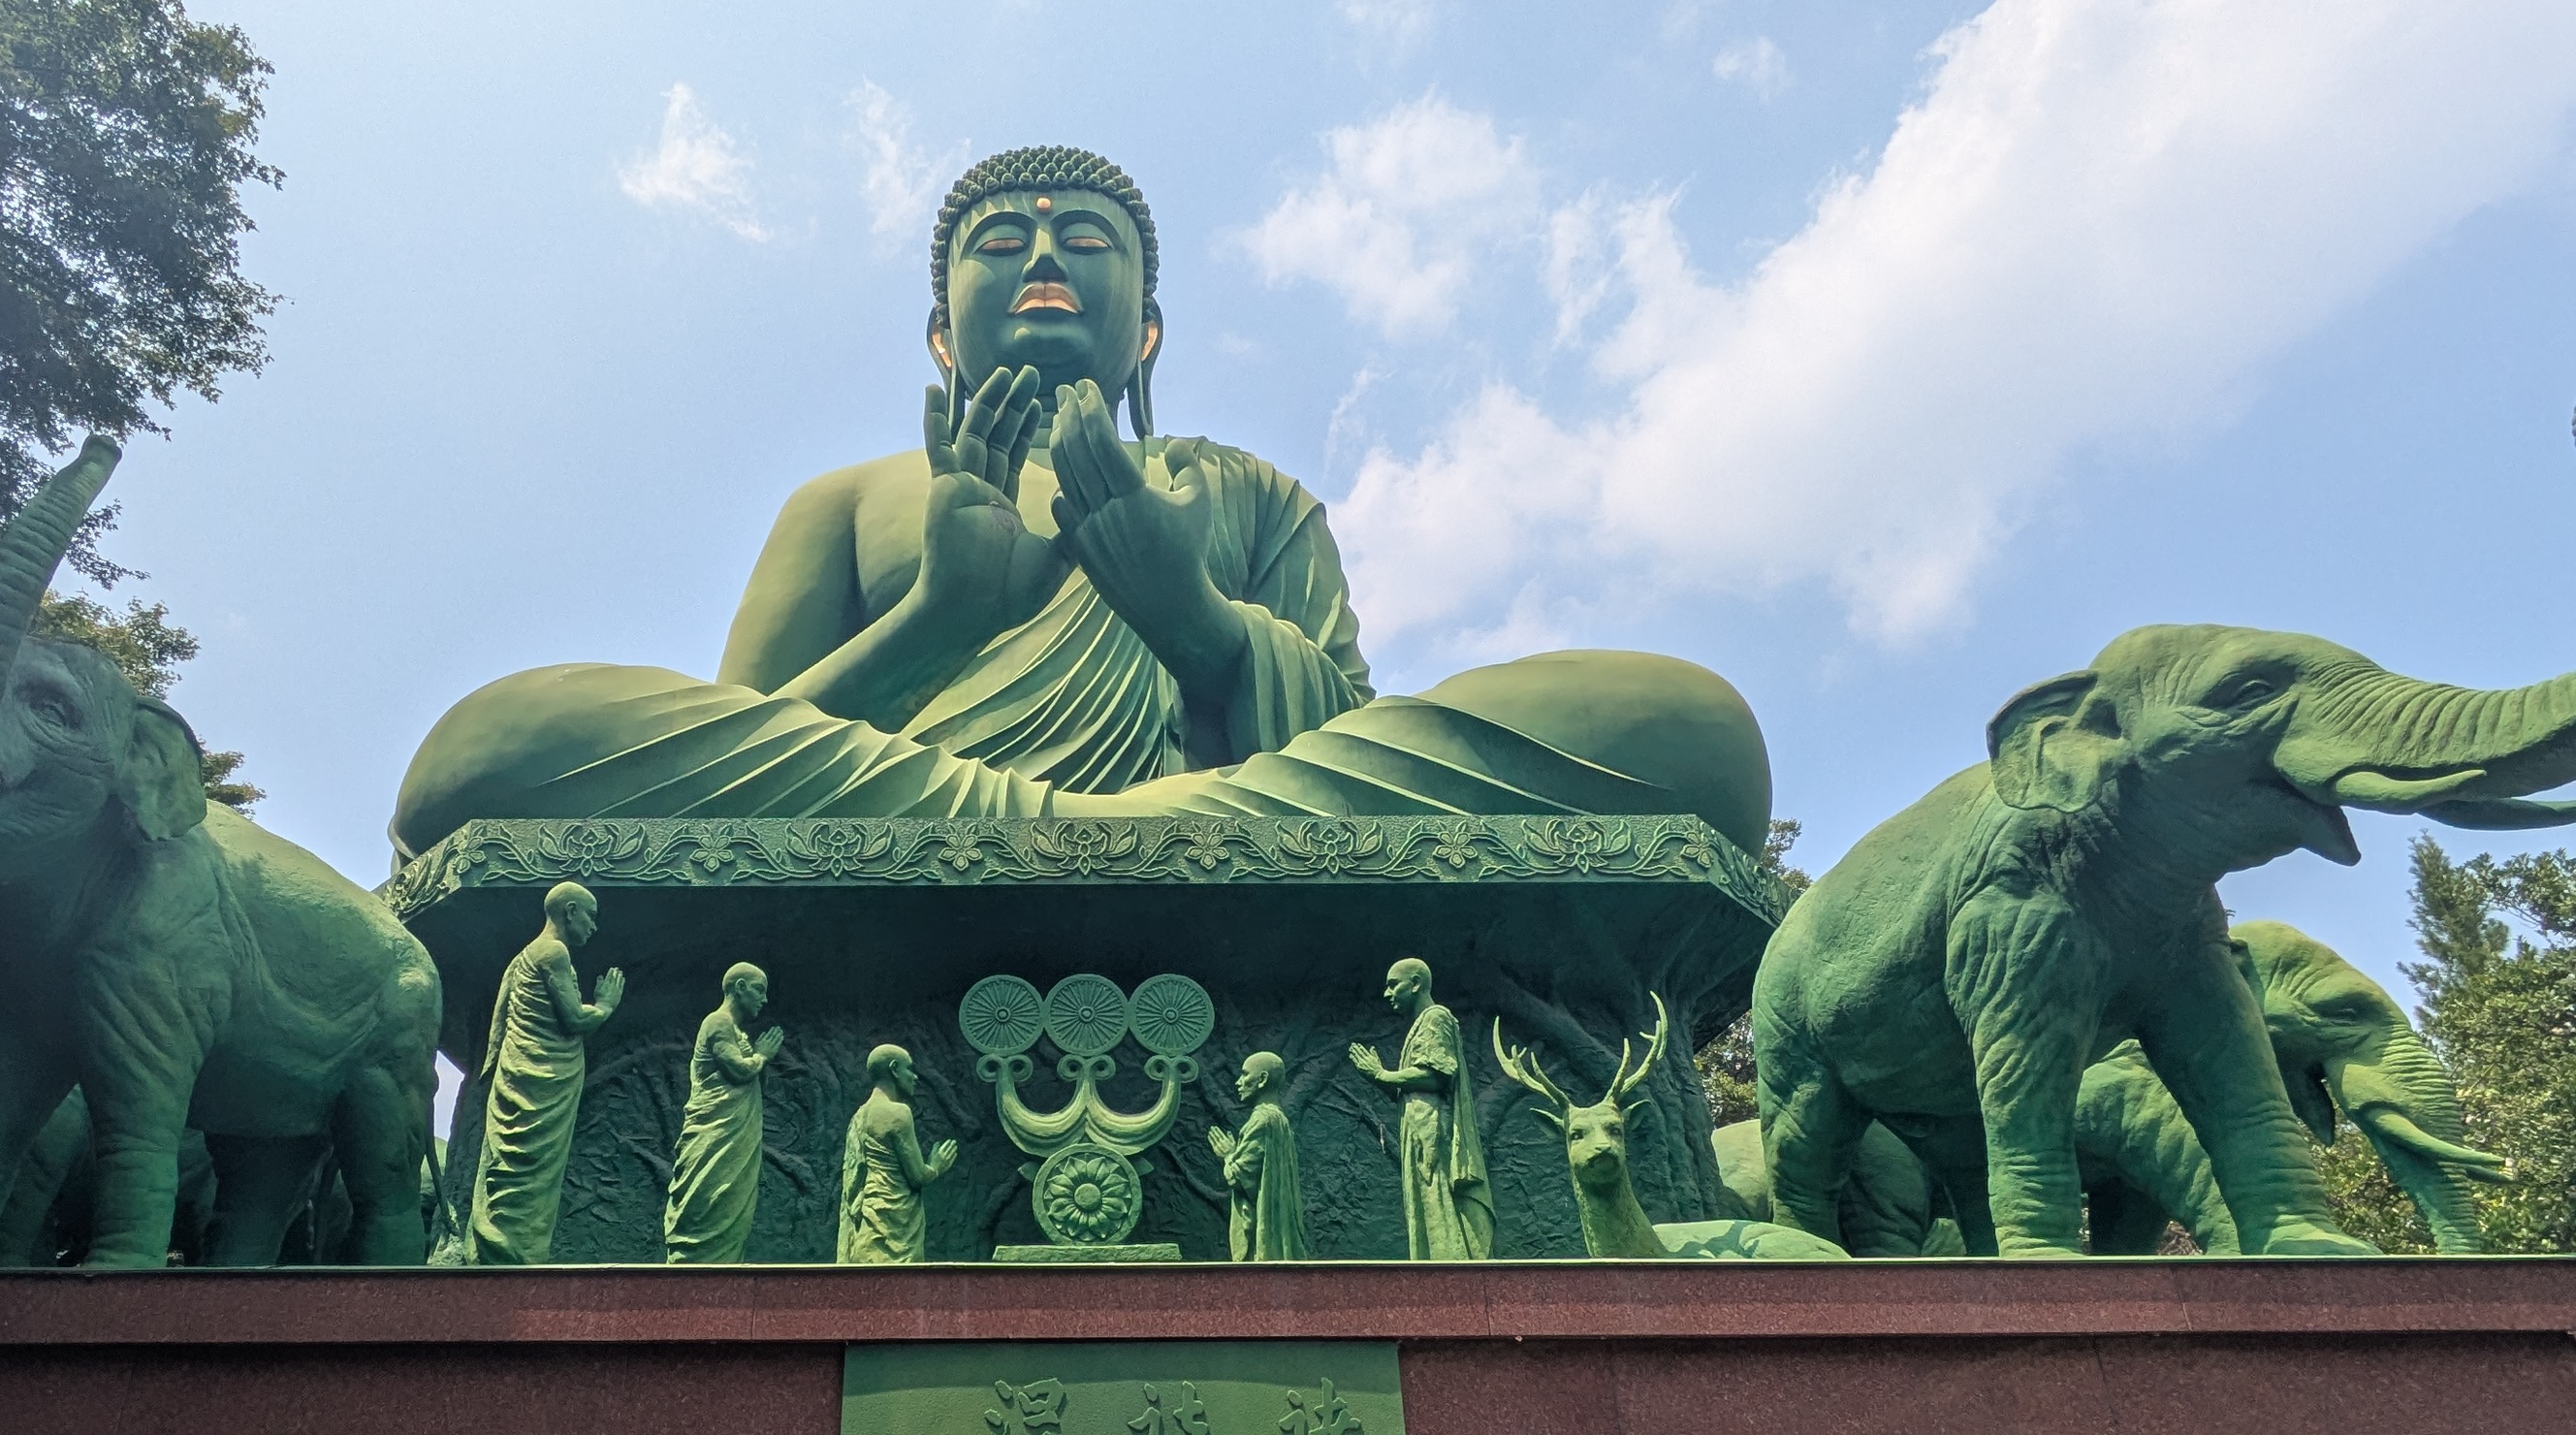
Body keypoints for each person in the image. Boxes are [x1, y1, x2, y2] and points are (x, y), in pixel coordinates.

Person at [392, 146, 1772, 861]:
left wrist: (1207, 635)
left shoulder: (1251, 496)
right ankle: (1101, 848)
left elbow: (1356, 753)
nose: (1044, 256)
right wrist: (940, 620)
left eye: (1082, 240)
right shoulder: (848, 500)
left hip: (1229, 820)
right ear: (943, 339)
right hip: (918, 817)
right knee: (487, 757)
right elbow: (743, 757)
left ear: (1146, 336)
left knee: (1686, 733)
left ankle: (1128, 842)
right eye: (1002, 245)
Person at [459, 880, 621, 1263]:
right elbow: (576, 1018)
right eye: (591, 917)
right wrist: (607, 1004)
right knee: (526, 1173)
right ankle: (513, 1255)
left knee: (514, 1167)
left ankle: (504, 1249)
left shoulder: (524, 956)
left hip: (523, 1078)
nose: (593, 927)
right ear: (570, 911)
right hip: (540, 1083)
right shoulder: (553, 952)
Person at [1350, 959, 1491, 1260]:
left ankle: (1450, 1270)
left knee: (1437, 1198)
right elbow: (1414, 1083)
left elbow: (1439, 1073)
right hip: (1418, 1128)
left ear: (1415, 984)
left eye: (1393, 985)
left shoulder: (1435, 1017)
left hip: (1432, 1129)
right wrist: (1378, 1077)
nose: (1387, 993)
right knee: (1424, 1204)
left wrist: (1383, 1074)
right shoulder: (1420, 1025)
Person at [662, 962, 783, 1262]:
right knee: (708, 1199)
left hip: (735, 1140)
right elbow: (740, 1071)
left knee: (732, 1206)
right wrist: (762, 1055)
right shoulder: (717, 1023)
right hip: (714, 1137)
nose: (764, 1000)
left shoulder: (736, 1032)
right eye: (759, 990)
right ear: (739, 987)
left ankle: (726, 1278)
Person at [837, 1043, 959, 1264]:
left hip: (868, 1217)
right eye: (910, 1069)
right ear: (894, 1068)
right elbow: (918, 1177)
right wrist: (937, 1166)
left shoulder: (859, 1116)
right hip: (895, 1225)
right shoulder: (898, 1113)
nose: (915, 1077)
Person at [1207, 1049, 1308, 1261]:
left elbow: (1237, 1176)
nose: (1238, 1082)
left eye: (1244, 1075)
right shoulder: (1280, 1120)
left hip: (1263, 1239)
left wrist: (1227, 1155)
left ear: (1262, 1079)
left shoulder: (1261, 1120)